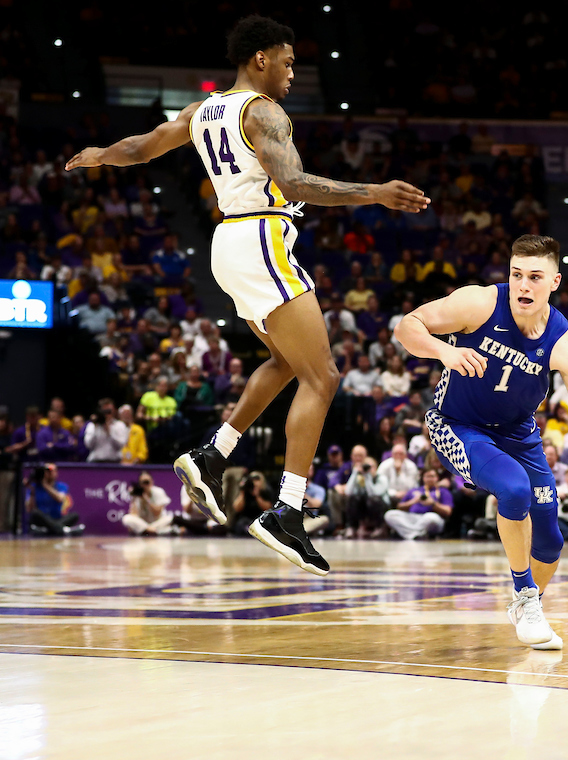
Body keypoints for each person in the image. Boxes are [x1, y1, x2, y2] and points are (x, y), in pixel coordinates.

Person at [68, 15, 429, 577]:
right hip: (261, 235)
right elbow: (295, 184)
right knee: (323, 376)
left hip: (228, 244)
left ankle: (213, 456)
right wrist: (374, 192)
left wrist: (98, 154)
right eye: (287, 62)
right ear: (261, 58)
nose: (292, 73)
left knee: (286, 363)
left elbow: (140, 148)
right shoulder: (263, 111)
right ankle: (288, 511)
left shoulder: (202, 110)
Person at [396, 233, 568, 651]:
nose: (523, 285)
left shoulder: (565, 344)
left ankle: (525, 603)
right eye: (516, 274)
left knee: (550, 542)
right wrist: (443, 352)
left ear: (555, 281)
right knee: (514, 490)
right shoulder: (479, 304)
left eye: (535, 277)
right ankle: (526, 596)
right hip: (458, 424)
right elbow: (407, 325)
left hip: (519, 433)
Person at [384, 468, 453, 540]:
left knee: (430, 517)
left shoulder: (443, 491)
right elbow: (399, 506)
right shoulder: (414, 490)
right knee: (390, 514)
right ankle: (415, 535)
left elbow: (448, 512)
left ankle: (410, 533)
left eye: (432, 476)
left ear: (437, 478)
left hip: (431, 518)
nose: (430, 479)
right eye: (427, 476)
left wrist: (433, 504)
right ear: (423, 478)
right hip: (412, 517)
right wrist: (414, 501)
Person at [25, 464, 81, 536]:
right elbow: (29, 509)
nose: (48, 473)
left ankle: (47, 530)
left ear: (56, 473)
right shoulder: (34, 487)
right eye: (46, 471)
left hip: (57, 518)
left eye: (50, 471)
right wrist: (32, 492)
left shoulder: (62, 486)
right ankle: (64, 530)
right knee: (35, 513)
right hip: (42, 520)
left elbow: (59, 499)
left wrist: (45, 485)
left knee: (75, 515)